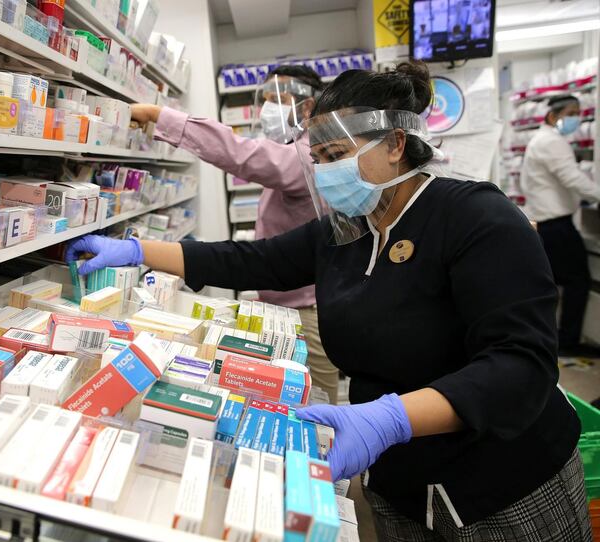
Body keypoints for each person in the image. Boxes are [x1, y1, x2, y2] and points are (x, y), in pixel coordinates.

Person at [69, 62, 591, 541]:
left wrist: (391, 418)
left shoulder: (477, 219)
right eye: (317, 159)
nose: (323, 173)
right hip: (399, 486)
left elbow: (521, 366)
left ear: (395, 143)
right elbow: (249, 261)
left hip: (504, 487)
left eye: (337, 156)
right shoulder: (347, 231)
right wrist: (138, 250)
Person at [129, 65, 342, 403]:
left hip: (308, 317)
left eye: (280, 99)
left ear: (307, 108)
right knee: (279, 407)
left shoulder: (308, 156)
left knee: (315, 417)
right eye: (266, 99)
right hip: (284, 308)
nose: (269, 108)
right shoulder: (296, 150)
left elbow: (241, 154)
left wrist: (159, 115)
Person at [521, 94, 600, 358]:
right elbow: (572, 178)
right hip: (556, 225)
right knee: (578, 281)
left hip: (547, 223)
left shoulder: (540, 140)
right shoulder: (552, 142)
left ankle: (551, 339)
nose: (576, 117)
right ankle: (567, 341)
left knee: (550, 285)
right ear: (553, 116)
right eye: (572, 112)